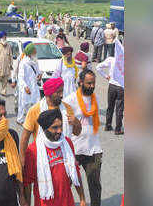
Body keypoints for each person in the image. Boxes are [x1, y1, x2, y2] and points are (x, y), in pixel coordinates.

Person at [23, 109, 86, 206]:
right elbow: (27, 183)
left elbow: (75, 172)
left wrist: (82, 198)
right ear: (45, 129)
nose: (59, 131)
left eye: (61, 126)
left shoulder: (67, 143)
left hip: (67, 202)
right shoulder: (33, 150)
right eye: (55, 128)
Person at [19, 77, 82, 166]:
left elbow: (77, 132)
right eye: (58, 92)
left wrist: (76, 122)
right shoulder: (35, 110)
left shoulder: (67, 108)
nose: (61, 95)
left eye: (62, 91)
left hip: (65, 157)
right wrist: (22, 159)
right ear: (49, 93)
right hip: (42, 157)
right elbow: (24, 138)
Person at [63, 69, 103, 206]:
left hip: (93, 148)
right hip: (74, 149)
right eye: (89, 83)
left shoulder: (95, 98)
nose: (92, 86)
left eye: (93, 83)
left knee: (95, 185)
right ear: (80, 82)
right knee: (66, 182)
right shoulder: (69, 101)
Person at [96, 43, 124, 135]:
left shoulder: (111, 60)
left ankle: (108, 125)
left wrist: (106, 76)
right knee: (119, 109)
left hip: (112, 85)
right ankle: (118, 129)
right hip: (121, 88)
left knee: (110, 107)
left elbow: (98, 67)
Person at [17, 43, 42, 125]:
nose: (36, 52)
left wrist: (39, 75)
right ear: (30, 52)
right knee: (24, 103)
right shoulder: (23, 62)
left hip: (34, 85)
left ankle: (34, 119)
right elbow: (21, 77)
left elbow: (38, 72)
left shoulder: (35, 61)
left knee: (36, 102)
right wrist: (25, 87)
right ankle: (20, 119)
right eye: (34, 51)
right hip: (26, 86)